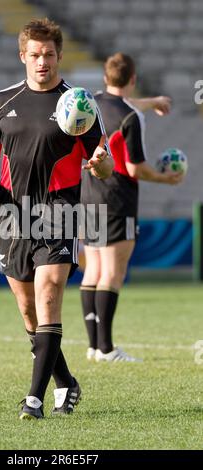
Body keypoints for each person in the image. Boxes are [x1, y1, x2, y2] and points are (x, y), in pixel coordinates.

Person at [0, 18, 113, 419]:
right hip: (13, 213)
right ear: (23, 56)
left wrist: (101, 163)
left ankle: (34, 400)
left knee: (49, 294)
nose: (42, 61)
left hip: (59, 211)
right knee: (28, 310)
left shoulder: (79, 104)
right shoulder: (2, 101)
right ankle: (66, 381)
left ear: (59, 56)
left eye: (49, 54)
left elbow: (103, 163)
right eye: (35, 55)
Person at [80, 52, 183, 363]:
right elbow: (135, 167)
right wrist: (166, 179)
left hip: (87, 195)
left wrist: (151, 102)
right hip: (117, 198)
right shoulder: (130, 117)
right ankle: (107, 349)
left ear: (105, 78)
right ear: (133, 79)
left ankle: (94, 346)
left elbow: (124, 105)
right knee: (113, 272)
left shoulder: (95, 102)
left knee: (94, 270)